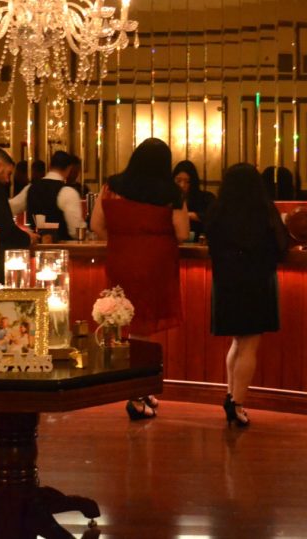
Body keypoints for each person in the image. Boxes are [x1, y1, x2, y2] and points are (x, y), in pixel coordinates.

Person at [90, 138, 189, 420]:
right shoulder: (171, 193)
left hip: (121, 260)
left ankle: (141, 389)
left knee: (131, 325)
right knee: (142, 330)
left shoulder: (111, 186)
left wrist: (122, 240)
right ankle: (135, 395)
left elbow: (96, 225)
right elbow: (182, 233)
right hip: (155, 262)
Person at [205, 162, 291, 428]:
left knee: (237, 342)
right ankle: (238, 404)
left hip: (226, 282)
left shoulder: (217, 211)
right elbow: (282, 245)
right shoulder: (263, 210)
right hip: (256, 281)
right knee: (249, 345)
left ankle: (231, 395)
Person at [8, 150, 85, 241]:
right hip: (61, 247)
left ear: (49, 166)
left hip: (35, 245)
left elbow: (10, 208)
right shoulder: (68, 192)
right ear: (69, 169)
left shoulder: (30, 188)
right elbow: (75, 230)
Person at [172, 159, 216, 240]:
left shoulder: (205, 198)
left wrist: (191, 215)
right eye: (178, 181)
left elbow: (214, 217)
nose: (182, 185)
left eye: (187, 181)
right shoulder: (167, 200)